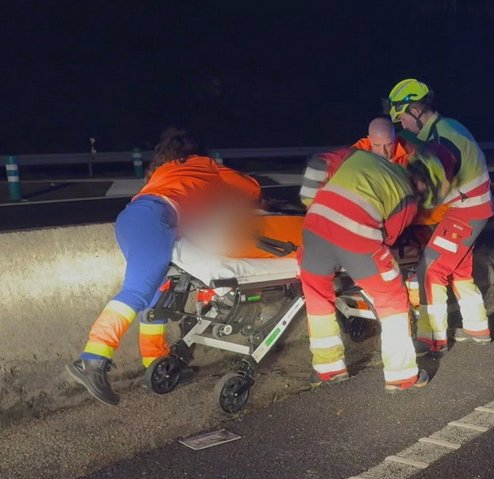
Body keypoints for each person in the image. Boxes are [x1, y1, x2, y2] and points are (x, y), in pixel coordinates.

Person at [67, 128, 261, 406]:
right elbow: (251, 188)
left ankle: (156, 362)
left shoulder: (164, 170)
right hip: (157, 220)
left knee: (158, 292)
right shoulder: (206, 166)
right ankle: (92, 359)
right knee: (137, 292)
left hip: (131, 219)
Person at [299, 148, 429, 393]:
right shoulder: (408, 198)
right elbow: (387, 238)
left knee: (317, 298)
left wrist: (310, 203)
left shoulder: (361, 157)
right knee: (392, 296)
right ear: (420, 183)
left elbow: (319, 163)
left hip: (313, 228)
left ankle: (329, 369)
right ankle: (401, 375)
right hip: (356, 237)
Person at [385, 78, 494, 356]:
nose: (402, 125)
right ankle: (477, 328)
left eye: (402, 119)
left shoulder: (442, 139)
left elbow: (434, 177)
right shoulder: (446, 127)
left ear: (415, 111)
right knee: (457, 270)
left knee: (430, 269)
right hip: (472, 208)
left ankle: (432, 339)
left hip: (466, 212)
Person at [299, 117, 414, 207]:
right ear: (369, 139)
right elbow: (320, 166)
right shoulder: (356, 152)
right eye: (377, 145)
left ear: (395, 139)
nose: (383, 151)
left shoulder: (410, 153)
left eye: (388, 145)